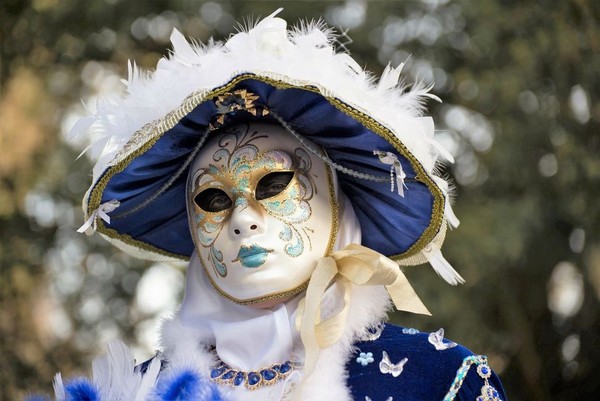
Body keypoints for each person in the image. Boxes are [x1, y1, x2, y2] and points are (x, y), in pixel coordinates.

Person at [32, 9, 506, 401]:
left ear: (337, 199)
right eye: (213, 199)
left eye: (274, 184)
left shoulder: (440, 381)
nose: (241, 221)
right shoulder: (136, 393)